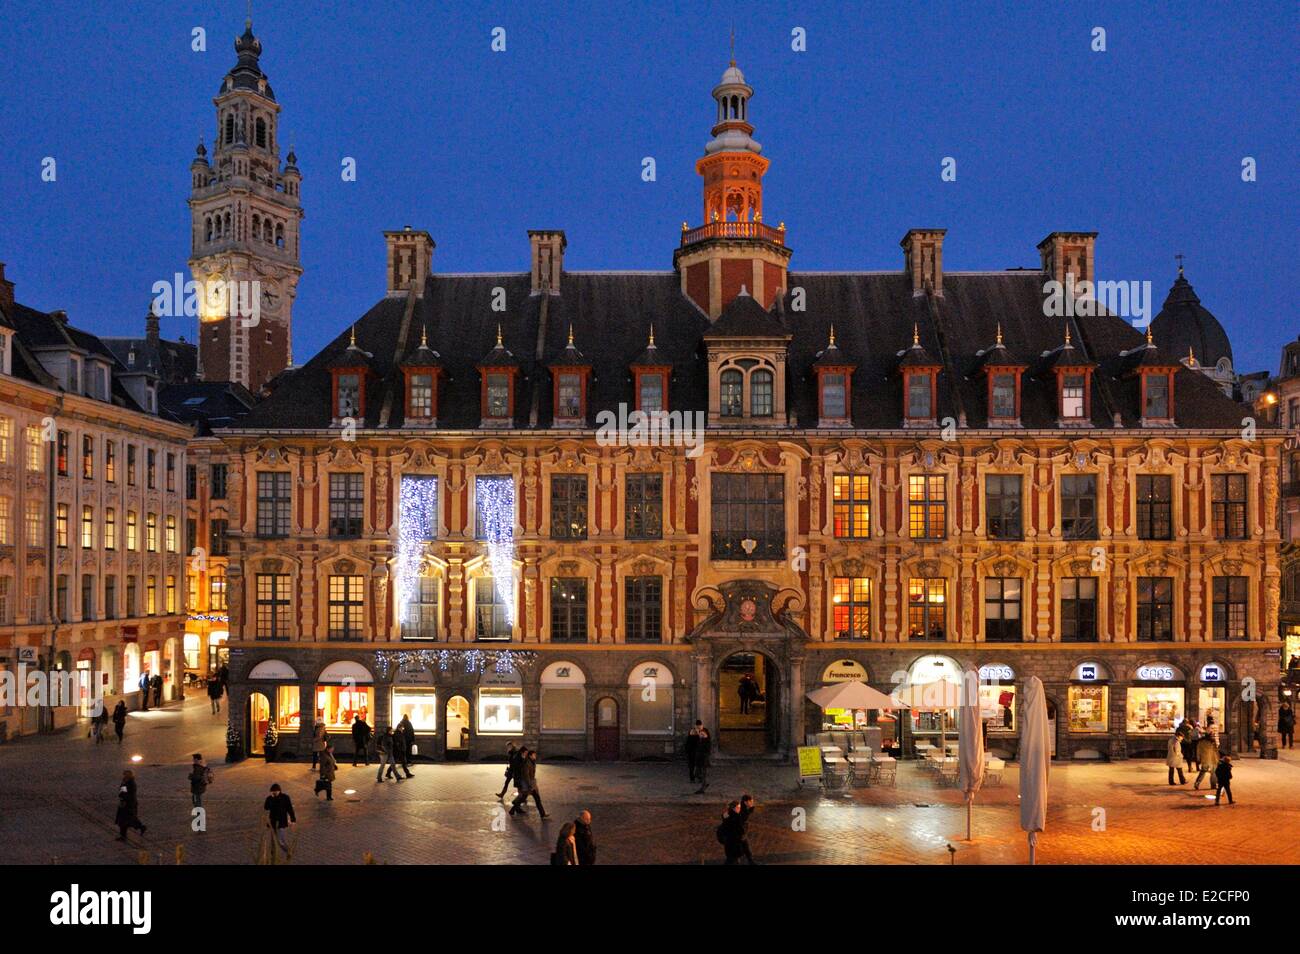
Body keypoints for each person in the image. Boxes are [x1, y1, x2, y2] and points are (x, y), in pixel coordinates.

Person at [510, 748, 548, 818]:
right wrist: (529, 785)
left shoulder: (532, 762)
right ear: (530, 755)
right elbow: (526, 775)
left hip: (531, 784)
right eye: (534, 755)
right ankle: (513, 809)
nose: (535, 756)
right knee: (525, 798)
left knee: (536, 799)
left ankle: (542, 814)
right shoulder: (527, 763)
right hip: (529, 785)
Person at [263, 784, 296, 856]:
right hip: (272, 822)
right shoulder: (269, 798)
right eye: (273, 792)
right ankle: (273, 854)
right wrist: (270, 798)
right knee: (273, 840)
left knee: (280, 840)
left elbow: (290, 809)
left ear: (279, 791)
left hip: (281, 822)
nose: (274, 793)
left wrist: (293, 819)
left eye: (276, 791)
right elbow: (266, 807)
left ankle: (288, 851)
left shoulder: (285, 797)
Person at [115, 770, 146, 841]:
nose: (125, 776)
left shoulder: (131, 783)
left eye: (126, 775)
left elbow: (129, 793)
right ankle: (140, 827)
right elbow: (122, 791)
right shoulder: (125, 782)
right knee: (125, 820)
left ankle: (124, 835)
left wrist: (124, 797)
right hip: (124, 803)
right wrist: (122, 796)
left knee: (126, 819)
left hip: (129, 804)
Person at [694, 727, 712, 794]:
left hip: (703, 760)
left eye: (703, 734)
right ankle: (704, 785)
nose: (701, 735)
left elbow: (706, 751)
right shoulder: (700, 740)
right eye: (701, 734)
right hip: (699, 760)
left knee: (703, 774)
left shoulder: (706, 741)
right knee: (699, 774)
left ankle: (702, 788)